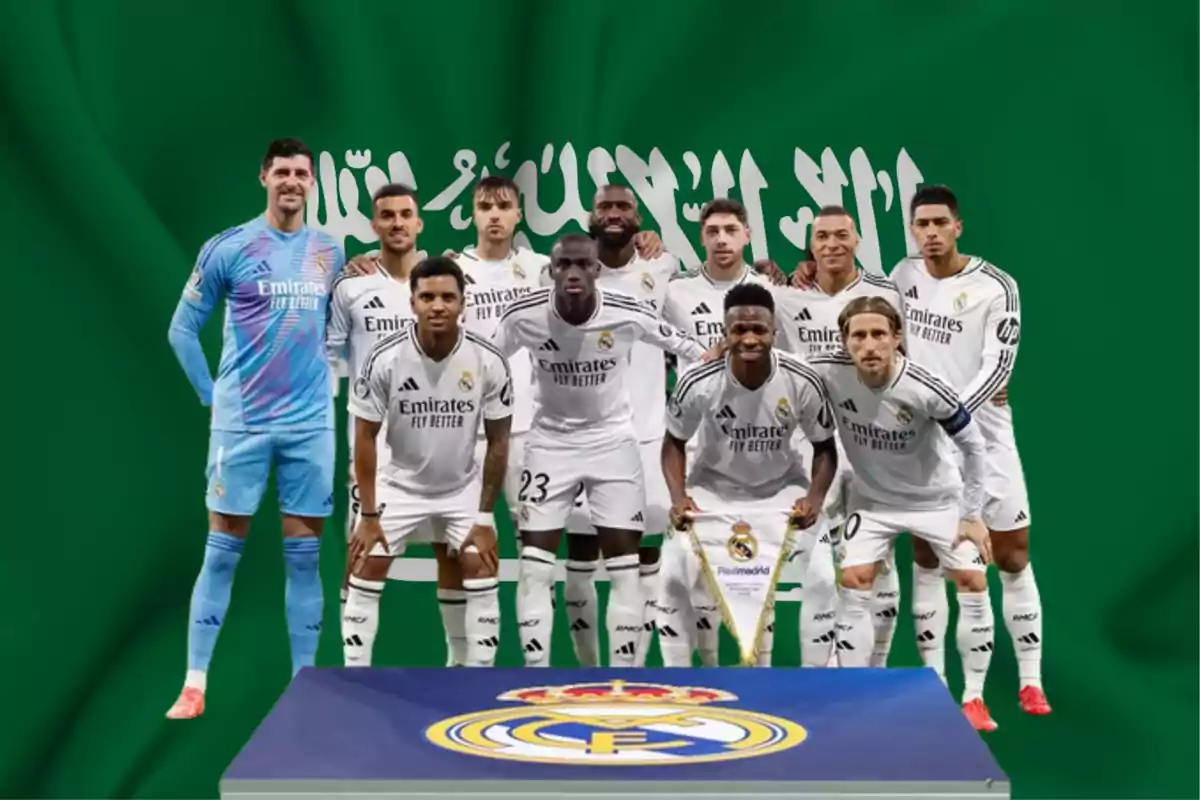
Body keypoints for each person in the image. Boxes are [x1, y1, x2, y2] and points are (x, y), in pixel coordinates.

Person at [165, 138, 344, 719]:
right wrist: (211, 397)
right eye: (282, 172)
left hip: (309, 425)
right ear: (263, 176)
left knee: (303, 558)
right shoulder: (229, 247)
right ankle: (195, 683)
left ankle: (304, 685)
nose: (292, 181)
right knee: (221, 553)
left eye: (302, 173)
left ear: (312, 182)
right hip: (241, 426)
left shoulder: (329, 252)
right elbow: (182, 330)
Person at [493, 234, 706, 668]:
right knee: (535, 567)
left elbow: (690, 350)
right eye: (564, 265)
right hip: (549, 444)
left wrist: (720, 373)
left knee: (624, 568)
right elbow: (484, 359)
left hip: (613, 444)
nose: (573, 273)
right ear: (551, 270)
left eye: (582, 265)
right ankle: (539, 678)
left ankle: (621, 681)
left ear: (597, 270)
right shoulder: (523, 315)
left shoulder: (627, 312)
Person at [890, 185, 1048, 715]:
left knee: (1012, 555)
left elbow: (998, 367)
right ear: (912, 230)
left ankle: (1030, 680)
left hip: (986, 436)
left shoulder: (996, 286)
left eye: (940, 223)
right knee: (928, 556)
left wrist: (950, 410)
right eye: (921, 224)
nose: (930, 233)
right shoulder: (902, 276)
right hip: (928, 444)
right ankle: (936, 680)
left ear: (958, 226)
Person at [809, 296, 999, 732]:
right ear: (845, 341)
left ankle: (973, 699)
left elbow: (973, 445)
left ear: (897, 339)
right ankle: (856, 692)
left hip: (938, 501)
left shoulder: (926, 387)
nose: (870, 345)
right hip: (874, 503)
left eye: (879, 334)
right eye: (859, 335)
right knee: (854, 579)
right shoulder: (828, 370)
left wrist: (972, 515)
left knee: (971, 580)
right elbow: (777, 365)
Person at [659, 283, 838, 668]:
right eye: (739, 330)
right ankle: (681, 681)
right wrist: (678, 498)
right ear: (725, 333)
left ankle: (817, 682)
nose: (750, 338)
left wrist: (815, 499)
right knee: (672, 574)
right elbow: (673, 443)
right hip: (713, 488)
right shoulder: (698, 379)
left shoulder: (802, 379)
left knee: (823, 576)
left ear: (775, 331)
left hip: (782, 488)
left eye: (760, 329)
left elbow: (825, 449)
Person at [343, 257, 510, 668]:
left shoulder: (487, 359)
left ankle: (471, 674)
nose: (438, 305)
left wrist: (486, 518)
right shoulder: (385, 358)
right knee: (364, 566)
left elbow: (500, 439)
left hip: (459, 488)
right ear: (413, 302)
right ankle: (354, 675)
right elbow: (364, 437)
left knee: (480, 565)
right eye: (428, 297)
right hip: (397, 487)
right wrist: (368, 513)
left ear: (463, 303)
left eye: (448, 297)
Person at [770, 205, 904, 667]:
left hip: (871, 441)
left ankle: (876, 669)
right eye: (822, 236)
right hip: (813, 445)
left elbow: (910, 363)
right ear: (811, 245)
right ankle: (818, 674)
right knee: (819, 571)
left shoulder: (885, 292)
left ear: (857, 240)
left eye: (841, 235)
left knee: (877, 563)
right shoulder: (786, 298)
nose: (832, 244)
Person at [560, 185, 688, 667]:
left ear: (638, 220)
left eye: (623, 207)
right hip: (580, 440)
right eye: (604, 207)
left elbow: (689, 343)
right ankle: (590, 674)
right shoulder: (563, 273)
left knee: (638, 566)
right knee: (578, 570)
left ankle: (626, 675)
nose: (613, 214)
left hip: (647, 441)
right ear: (590, 217)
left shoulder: (661, 272)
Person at [325, 184, 445, 642]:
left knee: (451, 555)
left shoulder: (443, 282)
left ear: (419, 223)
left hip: (440, 442)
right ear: (374, 225)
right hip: (374, 448)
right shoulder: (352, 285)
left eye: (405, 214)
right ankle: (349, 670)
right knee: (362, 555)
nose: (397, 222)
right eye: (387, 215)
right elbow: (328, 357)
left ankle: (459, 671)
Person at [659, 198, 772, 664]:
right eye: (713, 231)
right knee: (692, 568)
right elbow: (658, 359)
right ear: (701, 237)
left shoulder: (770, 288)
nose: (722, 239)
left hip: (761, 448)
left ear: (747, 235)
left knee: (755, 571)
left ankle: (758, 676)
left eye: (731, 229)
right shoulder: (676, 292)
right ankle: (707, 672)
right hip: (697, 441)